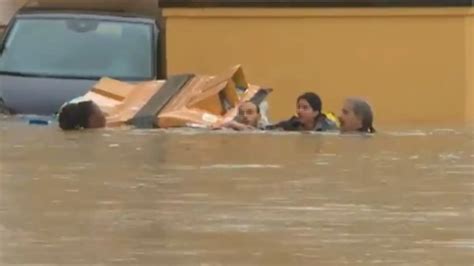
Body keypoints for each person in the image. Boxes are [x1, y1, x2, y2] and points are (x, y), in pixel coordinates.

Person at [266, 92, 338, 132]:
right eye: (298, 107)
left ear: (315, 112)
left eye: (305, 108)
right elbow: (268, 130)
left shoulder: (329, 127)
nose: (299, 111)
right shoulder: (292, 124)